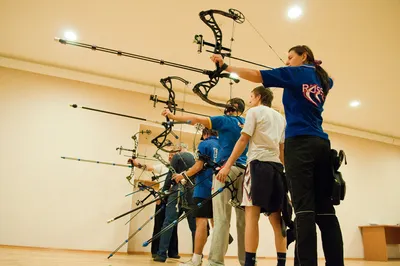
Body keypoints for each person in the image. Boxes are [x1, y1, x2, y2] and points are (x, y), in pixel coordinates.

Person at [210, 45, 344, 266]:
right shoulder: (321, 79)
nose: (287, 61)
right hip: (321, 144)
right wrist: (313, 66)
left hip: (299, 145)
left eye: (291, 57)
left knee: (304, 211)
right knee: (325, 210)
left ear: (304, 56)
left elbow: (256, 75)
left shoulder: (295, 73)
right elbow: (331, 81)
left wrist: (226, 66)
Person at [162, 98, 248, 266]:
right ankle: (248, 261)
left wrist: (172, 116)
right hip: (245, 173)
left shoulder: (224, 122)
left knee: (221, 220)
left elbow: (194, 119)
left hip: (224, 174)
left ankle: (214, 261)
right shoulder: (247, 123)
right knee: (243, 222)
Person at [215, 86, 287, 266]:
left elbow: (243, 140)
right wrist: (282, 172)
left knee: (251, 217)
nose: (249, 101)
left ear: (259, 97)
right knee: (277, 220)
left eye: (251, 97)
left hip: (257, 166)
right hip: (277, 168)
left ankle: (249, 263)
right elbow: (282, 149)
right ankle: (281, 263)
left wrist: (227, 166)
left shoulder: (254, 112)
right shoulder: (281, 118)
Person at [173, 128, 220, 266]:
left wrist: (182, 175)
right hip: (219, 188)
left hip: (203, 188)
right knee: (218, 225)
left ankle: (196, 260)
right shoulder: (223, 144)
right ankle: (216, 260)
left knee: (201, 223)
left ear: (205, 134)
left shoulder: (204, 144)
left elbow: (198, 166)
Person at [128, 154, 179, 259]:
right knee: (159, 224)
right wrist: (137, 164)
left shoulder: (180, 169)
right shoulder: (163, 167)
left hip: (174, 198)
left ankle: (172, 252)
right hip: (162, 198)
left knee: (173, 225)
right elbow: (149, 167)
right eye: (169, 155)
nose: (170, 157)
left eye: (173, 155)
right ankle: (156, 251)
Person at [154, 143, 197, 263]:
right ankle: (197, 257)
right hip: (193, 192)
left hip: (177, 192)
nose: (172, 154)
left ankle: (161, 254)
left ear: (179, 149)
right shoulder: (196, 158)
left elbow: (169, 175)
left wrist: (163, 192)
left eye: (173, 151)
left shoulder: (177, 156)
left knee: (168, 223)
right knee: (194, 227)